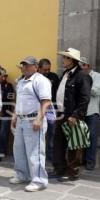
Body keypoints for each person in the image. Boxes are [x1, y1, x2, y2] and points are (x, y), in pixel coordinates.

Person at [49, 48, 92, 182]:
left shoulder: (82, 76)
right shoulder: (66, 74)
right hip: (61, 114)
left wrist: (75, 115)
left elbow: (84, 98)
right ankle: (59, 169)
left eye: (66, 58)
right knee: (58, 143)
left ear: (72, 60)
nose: (63, 60)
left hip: (72, 115)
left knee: (74, 145)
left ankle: (72, 172)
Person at [10, 56, 51, 192]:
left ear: (35, 66)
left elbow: (46, 102)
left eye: (27, 65)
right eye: (23, 65)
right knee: (19, 150)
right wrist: (14, 116)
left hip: (34, 120)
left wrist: (39, 119)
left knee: (35, 152)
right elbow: (19, 101)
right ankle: (22, 175)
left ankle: (39, 181)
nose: (24, 67)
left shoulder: (41, 80)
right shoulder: (21, 81)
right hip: (21, 120)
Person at [38, 59, 60, 162]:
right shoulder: (35, 78)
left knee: (52, 134)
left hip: (51, 109)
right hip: (38, 109)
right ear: (39, 68)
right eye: (45, 69)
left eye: (49, 69)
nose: (47, 72)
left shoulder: (54, 76)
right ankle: (38, 154)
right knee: (38, 133)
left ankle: (50, 156)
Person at [80, 57, 100, 170]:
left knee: (92, 137)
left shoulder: (97, 76)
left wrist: (85, 84)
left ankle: (90, 161)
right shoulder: (80, 76)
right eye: (80, 65)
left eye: (84, 65)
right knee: (82, 137)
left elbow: (96, 91)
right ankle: (82, 160)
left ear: (89, 66)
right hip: (81, 111)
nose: (82, 67)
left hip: (92, 111)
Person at [0, 71, 14, 158]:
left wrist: (3, 110)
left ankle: (2, 151)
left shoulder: (9, 86)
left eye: (4, 76)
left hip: (5, 113)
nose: (2, 78)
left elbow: (9, 98)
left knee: (3, 134)